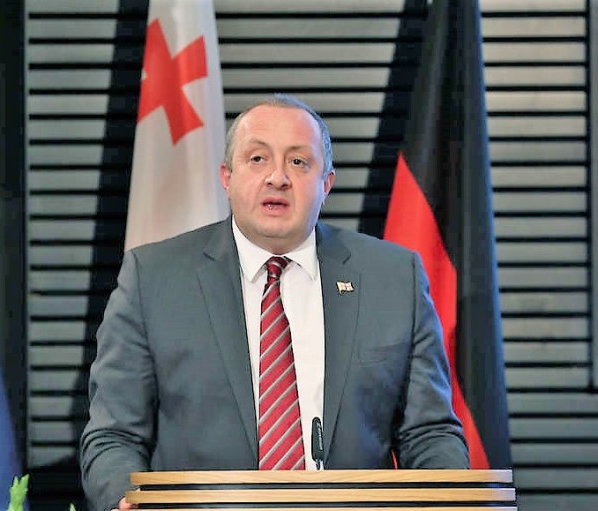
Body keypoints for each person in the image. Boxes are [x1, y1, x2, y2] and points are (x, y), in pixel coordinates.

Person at [79, 94, 469, 511]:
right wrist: (125, 500)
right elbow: (114, 436)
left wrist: (448, 500)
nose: (278, 178)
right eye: (258, 159)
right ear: (227, 177)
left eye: (298, 162)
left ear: (326, 183)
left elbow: (428, 434)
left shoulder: (392, 278)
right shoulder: (154, 278)